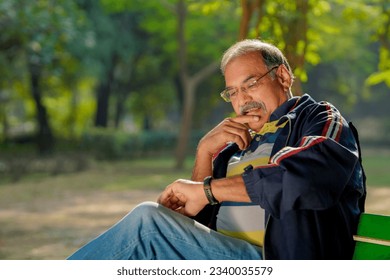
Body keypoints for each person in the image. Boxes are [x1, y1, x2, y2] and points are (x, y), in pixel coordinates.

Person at [67, 39, 366, 260]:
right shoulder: (232, 146)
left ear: (284, 77)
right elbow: (192, 226)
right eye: (233, 92)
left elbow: (303, 178)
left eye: (250, 83)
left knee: (147, 224)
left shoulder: (318, 118)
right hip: (222, 260)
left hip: (277, 262)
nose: (242, 99)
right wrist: (204, 154)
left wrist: (208, 190)